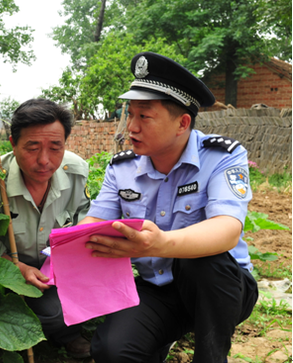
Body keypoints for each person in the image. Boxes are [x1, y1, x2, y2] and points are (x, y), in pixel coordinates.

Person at [81, 52, 258, 362]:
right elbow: (96, 220)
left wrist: (160, 244)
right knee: (112, 350)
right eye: (129, 114)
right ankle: (159, 338)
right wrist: (62, 247)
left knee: (200, 261)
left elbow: (227, 229)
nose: (131, 127)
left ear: (182, 123)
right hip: (157, 287)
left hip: (220, 289)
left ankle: (211, 356)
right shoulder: (122, 169)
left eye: (144, 117)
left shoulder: (221, 157)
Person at [0, 98, 92, 358]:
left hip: (62, 270)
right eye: (32, 147)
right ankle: (63, 334)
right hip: (9, 274)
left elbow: (85, 219)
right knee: (52, 313)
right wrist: (16, 267)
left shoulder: (76, 172)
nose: (44, 160)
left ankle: (66, 329)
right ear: (13, 145)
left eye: (55, 147)